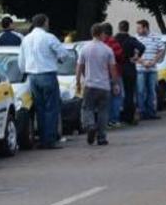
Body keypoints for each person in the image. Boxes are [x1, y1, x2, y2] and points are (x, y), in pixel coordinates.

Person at [18, 14, 71, 149]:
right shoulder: (49, 37)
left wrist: (26, 70)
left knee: (39, 109)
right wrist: (59, 59)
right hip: (47, 74)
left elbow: (21, 62)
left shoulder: (26, 39)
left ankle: (42, 139)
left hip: (32, 77)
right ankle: (50, 139)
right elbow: (64, 54)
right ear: (44, 23)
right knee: (51, 108)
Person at [76, 24, 119, 146]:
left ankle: (90, 126)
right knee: (103, 111)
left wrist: (78, 81)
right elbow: (113, 69)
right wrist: (115, 84)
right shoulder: (107, 50)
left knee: (87, 108)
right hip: (104, 86)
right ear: (101, 34)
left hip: (90, 84)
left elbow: (79, 66)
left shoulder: (84, 48)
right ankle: (102, 137)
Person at [114, 20, 146, 125]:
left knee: (116, 94)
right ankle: (129, 117)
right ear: (128, 28)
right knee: (129, 93)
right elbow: (142, 47)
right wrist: (136, 57)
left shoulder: (114, 39)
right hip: (129, 67)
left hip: (117, 67)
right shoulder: (131, 39)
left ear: (119, 28)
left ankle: (116, 116)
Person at [135, 19, 165, 120]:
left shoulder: (156, 36)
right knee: (141, 91)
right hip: (140, 68)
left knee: (152, 91)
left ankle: (151, 112)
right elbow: (133, 54)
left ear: (145, 27)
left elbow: (161, 50)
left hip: (152, 69)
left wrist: (153, 61)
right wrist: (143, 62)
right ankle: (142, 112)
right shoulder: (136, 38)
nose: (137, 30)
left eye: (139, 28)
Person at [100, 23, 125, 127]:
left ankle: (106, 121)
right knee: (117, 96)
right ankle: (114, 119)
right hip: (115, 73)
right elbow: (120, 57)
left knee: (106, 98)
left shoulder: (100, 44)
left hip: (102, 74)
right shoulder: (113, 43)